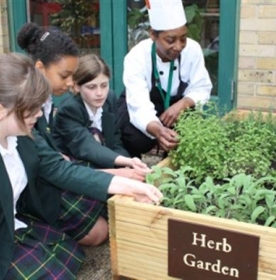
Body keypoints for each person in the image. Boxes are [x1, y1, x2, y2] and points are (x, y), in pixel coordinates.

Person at [16, 22, 162, 248]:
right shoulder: (43, 110)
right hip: (41, 189)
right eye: (64, 75)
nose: (69, 83)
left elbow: (112, 142)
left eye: (104, 86)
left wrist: (125, 166)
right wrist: (121, 176)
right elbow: (71, 158)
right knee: (100, 231)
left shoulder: (48, 102)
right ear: (39, 68)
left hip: (59, 172)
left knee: (107, 212)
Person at [0, 53, 85, 280]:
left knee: (72, 254)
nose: (39, 114)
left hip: (11, 223)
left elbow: (57, 168)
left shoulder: (21, 135)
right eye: (31, 108)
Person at [117, 0, 212, 158]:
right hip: (143, 103)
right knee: (137, 139)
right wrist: (158, 131)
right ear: (153, 35)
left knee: (192, 130)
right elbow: (139, 106)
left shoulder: (193, 49)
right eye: (170, 40)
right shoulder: (137, 57)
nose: (178, 46)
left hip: (176, 105)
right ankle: (134, 163)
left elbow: (201, 87)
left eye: (183, 38)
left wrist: (184, 104)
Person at [52, 54, 150, 179]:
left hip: (103, 161)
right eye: (91, 87)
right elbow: (87, 148)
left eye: (104, 85)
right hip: (76, 168)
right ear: (76, 86)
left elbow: (115, 141)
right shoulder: (69, 109)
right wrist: (127, 162)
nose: (100, 93)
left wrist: (129, 164)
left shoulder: (109, 99)